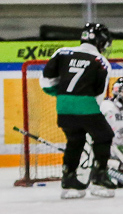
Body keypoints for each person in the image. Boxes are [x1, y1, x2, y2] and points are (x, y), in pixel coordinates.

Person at [40, 23, 118, 199]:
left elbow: (45, 81)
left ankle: (69, 179)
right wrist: (88, 111)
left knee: (75, 140)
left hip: (63, 106)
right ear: (100, 41)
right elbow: (99, 94)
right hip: (86, 105)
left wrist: (62, 95)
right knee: (104, 135)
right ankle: (99, 176)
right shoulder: (101, 61)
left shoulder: (62, 52)